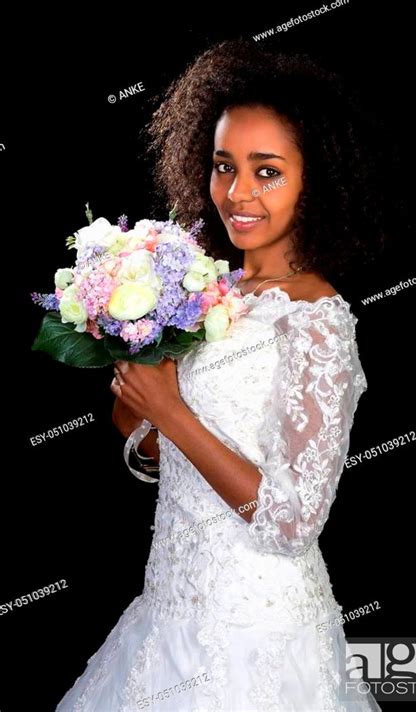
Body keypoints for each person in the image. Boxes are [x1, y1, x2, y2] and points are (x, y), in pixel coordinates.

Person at [57, 39, 385, 711]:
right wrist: (144, 403)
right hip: (166, 613)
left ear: (314, 179)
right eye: (222, 166)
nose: (237, 193)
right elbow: (146, 440)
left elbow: (292, 523)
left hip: (256, 638)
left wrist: (170, 411)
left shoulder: (315, 321)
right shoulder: (207, 290)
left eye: (267, 172)